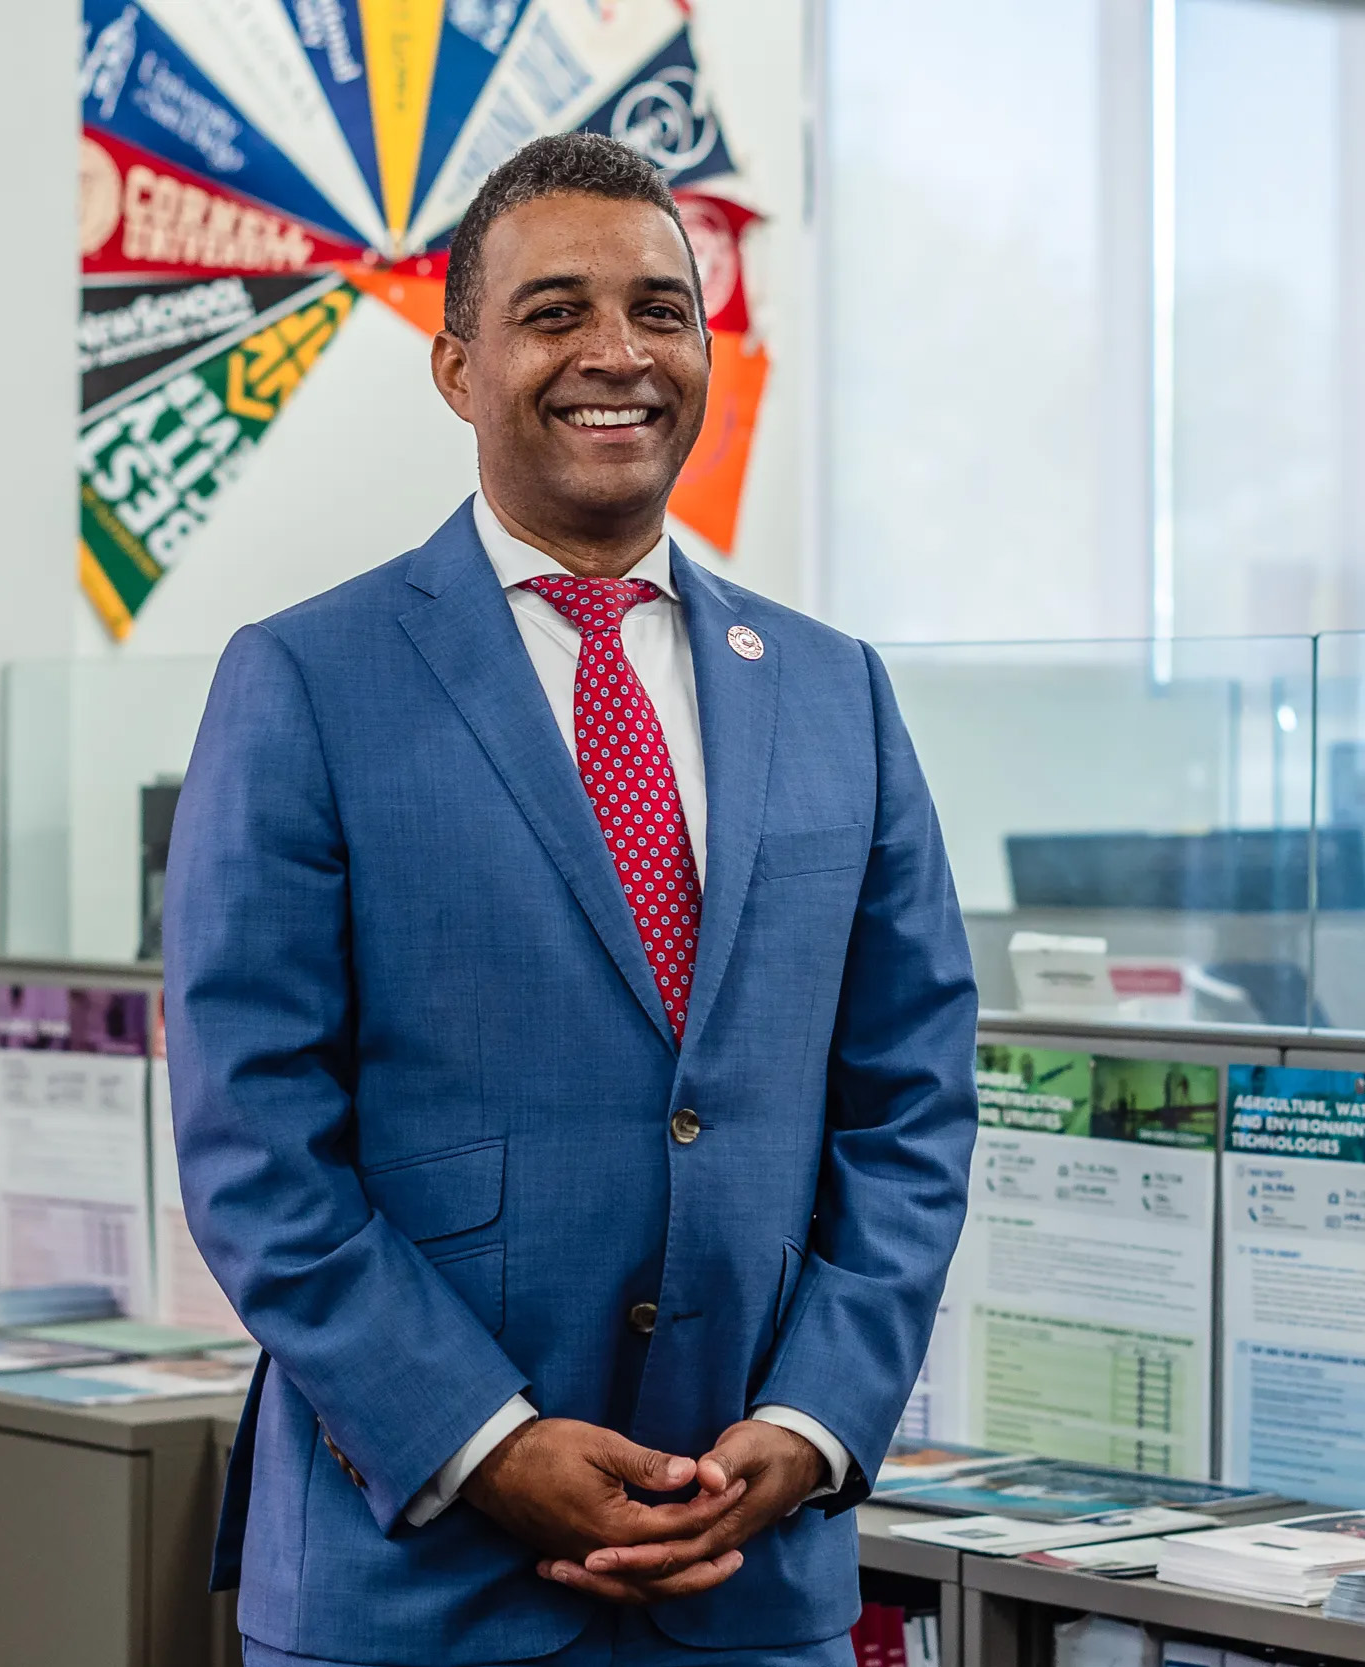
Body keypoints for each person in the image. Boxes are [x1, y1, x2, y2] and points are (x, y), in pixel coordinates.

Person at [164, 132, 977, 1666]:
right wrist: (483, 1441)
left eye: (662, 310)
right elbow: (253, 1140)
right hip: (415, 1578)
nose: (618, 353)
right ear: (456, 366)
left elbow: (913, 1101)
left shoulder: (835, 692)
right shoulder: (307, 680)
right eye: (555, 313)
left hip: (748, 1576)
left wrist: (813, 1422)